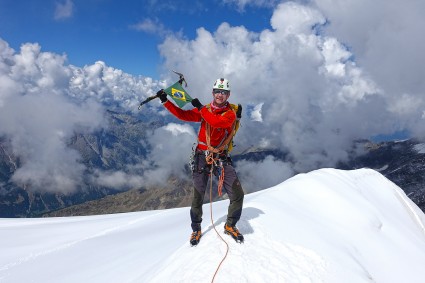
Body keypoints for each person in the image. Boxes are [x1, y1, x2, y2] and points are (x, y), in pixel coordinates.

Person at [157, 78, 245, 246]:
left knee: (237, 194)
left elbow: (215, 121)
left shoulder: (230, 114)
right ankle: (196, 229)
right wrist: (165, 101)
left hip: (220, 156)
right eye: (218, 91)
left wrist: (200, 108)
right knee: (198, 196)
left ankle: (230, 225)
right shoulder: (205, 110)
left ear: (228, 95)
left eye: (224, 92)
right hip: (201, 155)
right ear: (213, 93)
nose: (220, 95)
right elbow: (183, 115)